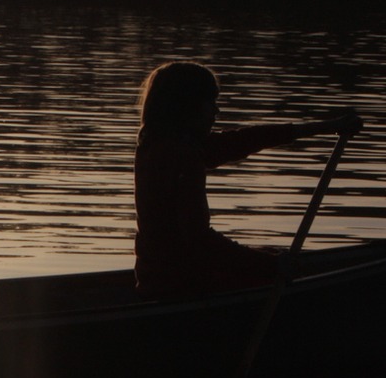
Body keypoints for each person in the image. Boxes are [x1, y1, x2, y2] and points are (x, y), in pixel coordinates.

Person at [133, 61, 362, 299]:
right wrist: (273, 266)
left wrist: (328, 127)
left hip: (158, 279)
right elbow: (201, 242)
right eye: (210, 102)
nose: (216, 111)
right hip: (183, 286)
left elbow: (244, 140)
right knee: (287, 270)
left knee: (275, 257)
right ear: (186, 106)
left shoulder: (158, 144)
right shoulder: (182, 155)